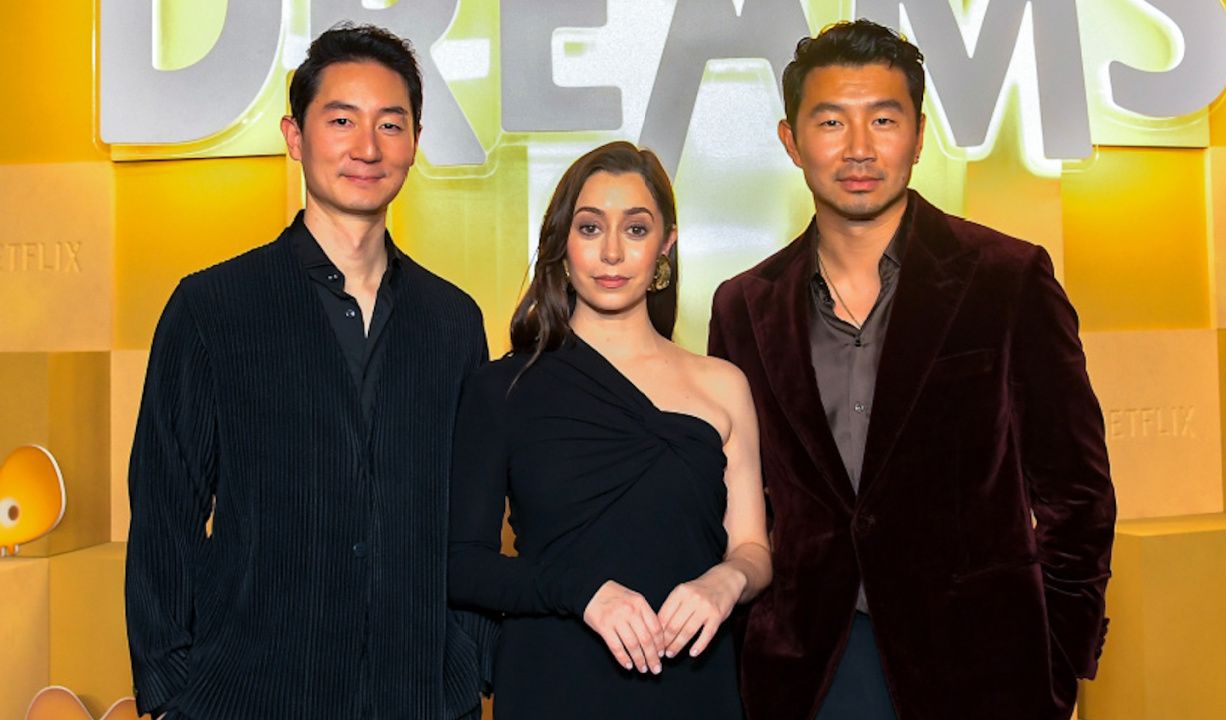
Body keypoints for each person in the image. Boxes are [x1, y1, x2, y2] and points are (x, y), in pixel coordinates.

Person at [707, 20, 1116, 720]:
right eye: (831, 121)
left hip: (984, 669)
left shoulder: (1008, 279)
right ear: (790, 140)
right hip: (805, 672)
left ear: (920, 137)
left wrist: (1059, 664)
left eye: (884, 119)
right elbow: (739, 499)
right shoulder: (745, 305)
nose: (859, 148)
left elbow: (1076, 493)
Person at [125, 24, 489, 719]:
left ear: (415, 142)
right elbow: (165, 510)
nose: (367, 147)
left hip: (418, 695)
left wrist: (464, 664)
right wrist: (172, 690)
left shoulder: (454, 322)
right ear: (295, 137)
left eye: (392, 123)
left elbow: (471, 516)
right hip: (251, 693)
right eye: (342, 120)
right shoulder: (212, 308)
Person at [448, 141, 771, 719]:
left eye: (637, 229)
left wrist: (725, 581)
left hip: (695, 684)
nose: (614, 252)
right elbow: (460, 563)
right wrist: (583, 591)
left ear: (666, 245)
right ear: (561, 245)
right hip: (556, 682)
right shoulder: (503, 390)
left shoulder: (723, 385)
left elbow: (753, 547)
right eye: (591, 227)